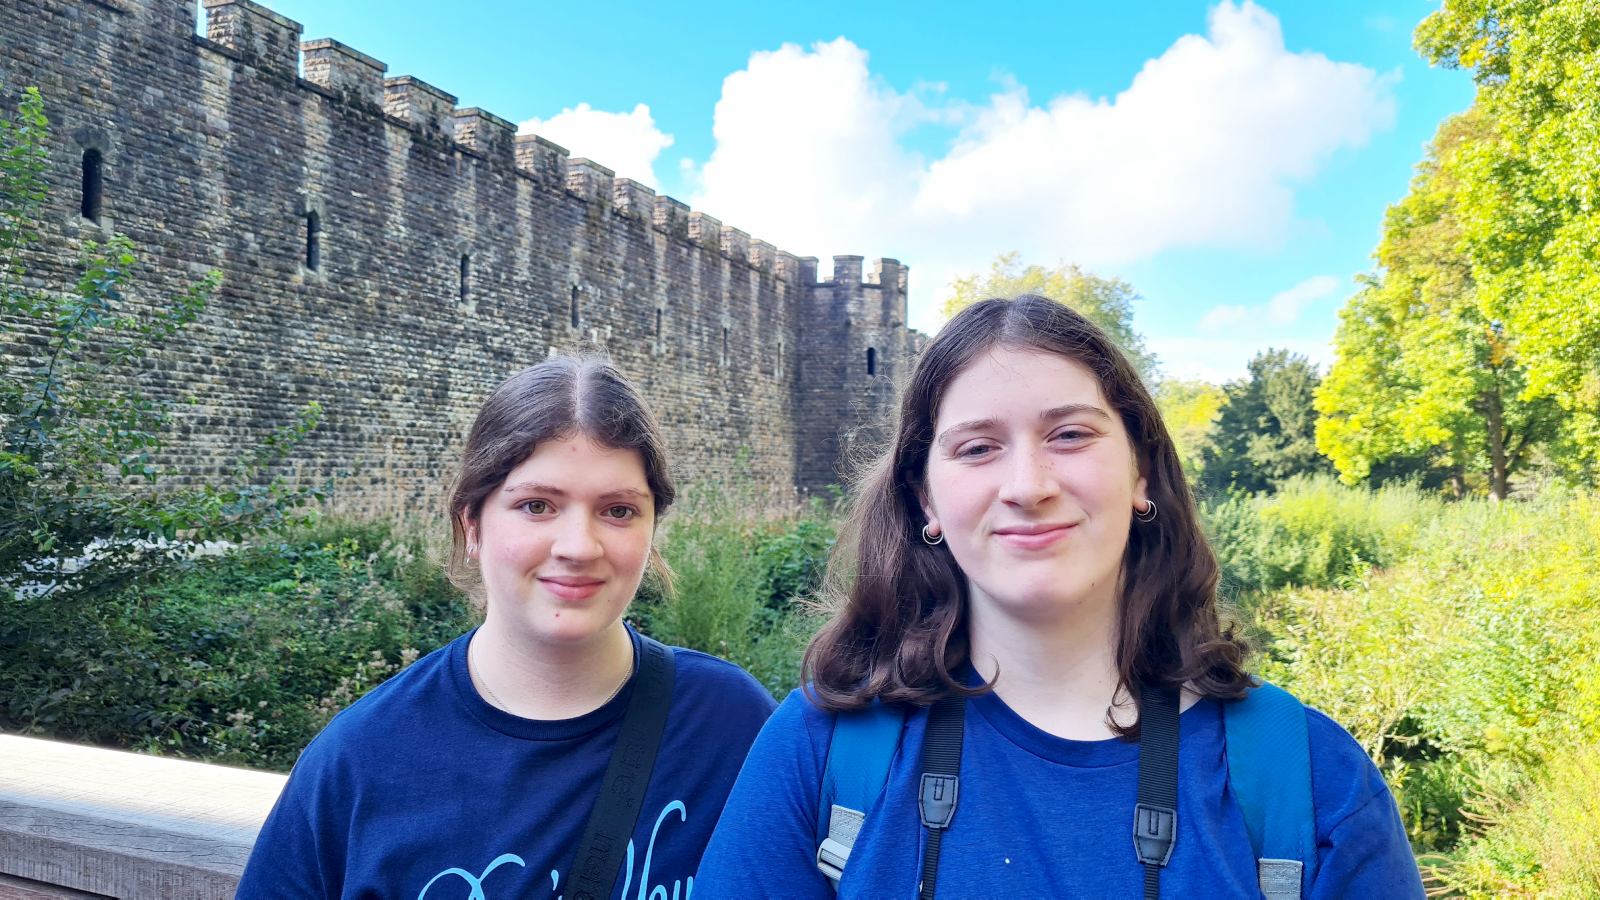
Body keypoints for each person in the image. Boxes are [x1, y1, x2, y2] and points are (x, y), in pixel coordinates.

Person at [696, 296, 1423, 898]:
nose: (1028, 485)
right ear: (927, 499)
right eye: (978, 447)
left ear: (1141, 472)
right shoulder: (821, 756)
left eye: (1070, 435)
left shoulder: (1310, 784)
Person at [237, 355, 777, 899]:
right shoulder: (359, 762)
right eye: (536, 505)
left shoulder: (733, 727)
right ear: (471, 524)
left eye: (618, 511)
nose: (578, 547)